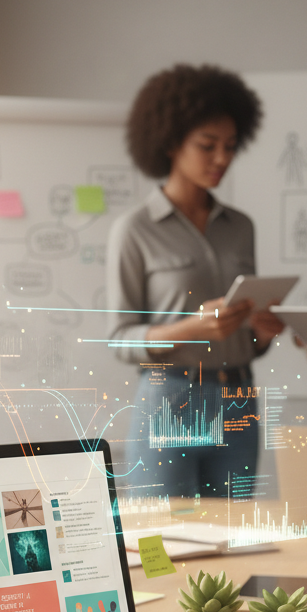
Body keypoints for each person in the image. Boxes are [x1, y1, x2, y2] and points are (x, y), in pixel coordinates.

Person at [107, 64, 283, 498]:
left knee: (233, 533)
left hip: (239, 401)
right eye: (207, 145)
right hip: (170, 399)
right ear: (170, 142)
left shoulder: (240, 227)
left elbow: (245, 336)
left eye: (230, 146)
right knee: (163, 535)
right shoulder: (134, 229)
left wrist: (261, 334)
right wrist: (192, 328)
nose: (222, 158)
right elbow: (120, 340)